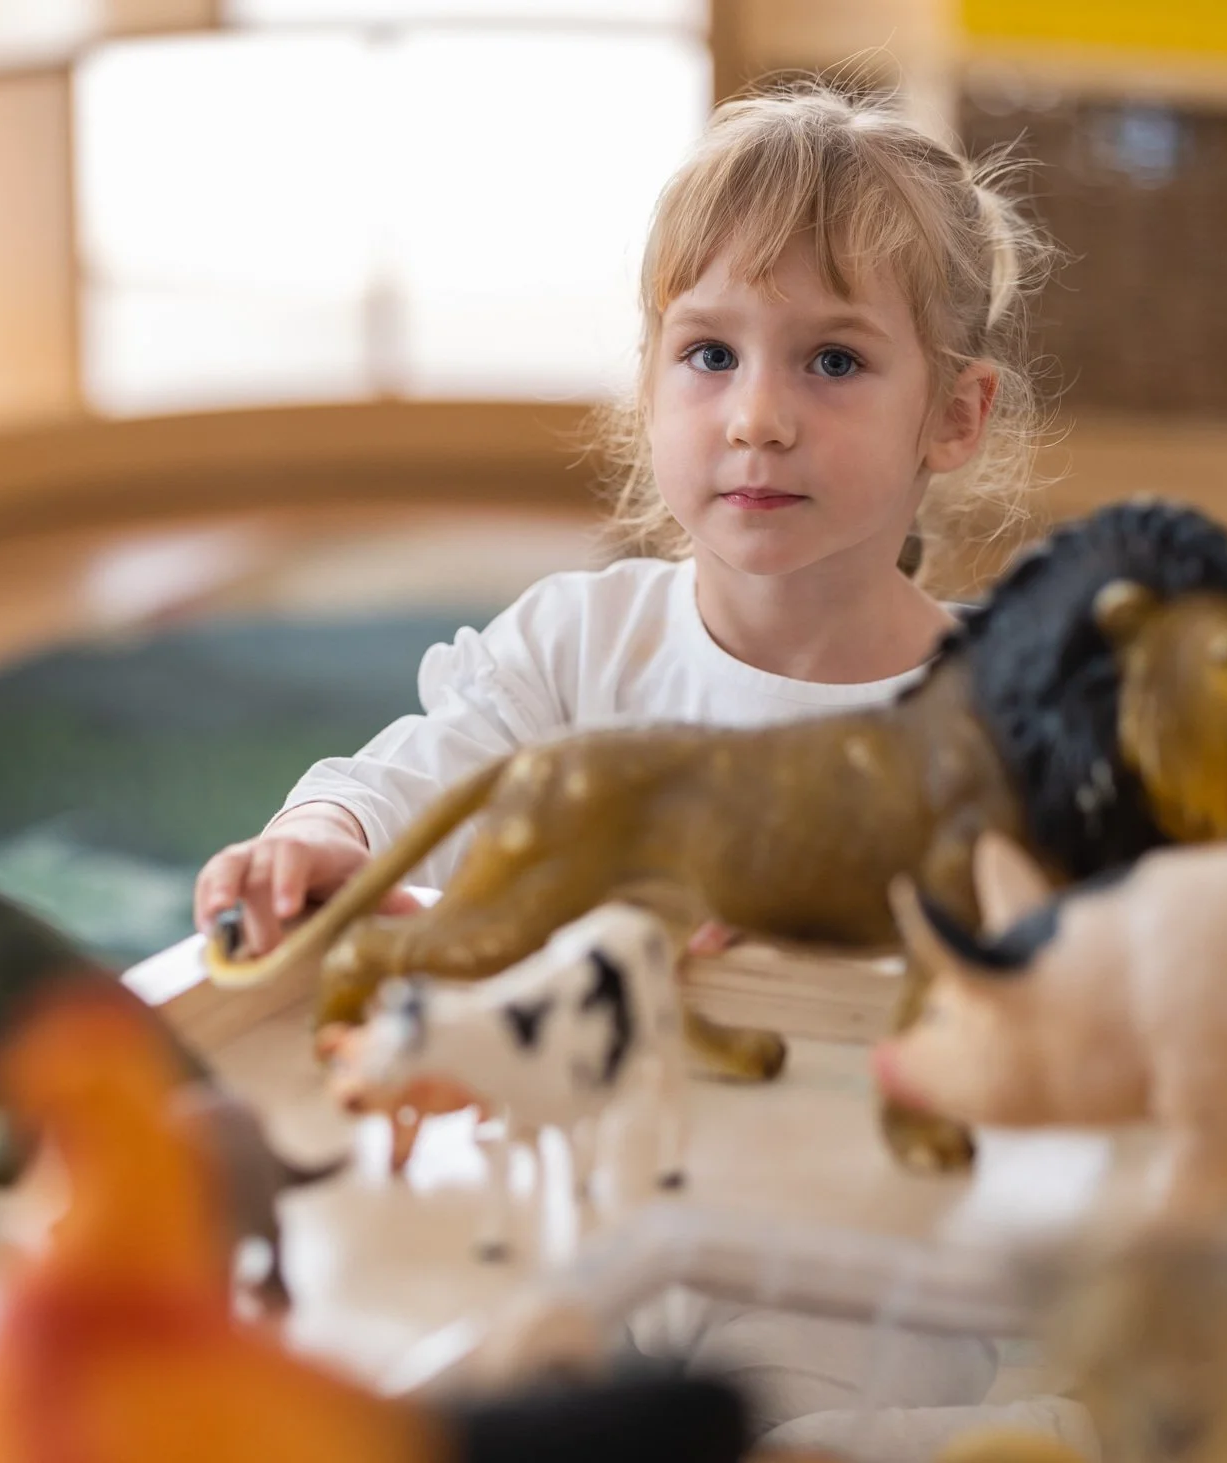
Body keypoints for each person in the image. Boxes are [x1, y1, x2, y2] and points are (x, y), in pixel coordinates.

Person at [191, 81, 1053, 1443]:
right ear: (650, 376)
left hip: (851, 1260)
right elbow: (435, 769)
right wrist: (332, 828)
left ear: (955, 414)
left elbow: (1100, 951)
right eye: (710, 354)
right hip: (587, 1223)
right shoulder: (579, 645)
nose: (758, 415)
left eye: (832, 362)